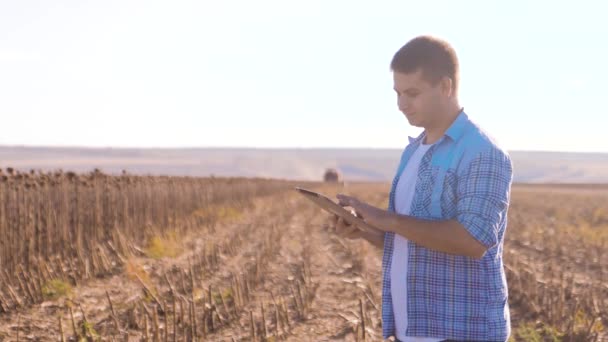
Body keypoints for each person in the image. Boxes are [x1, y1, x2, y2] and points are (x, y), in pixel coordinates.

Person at [331, 36, 513, 342]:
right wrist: (365, 230)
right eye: (398, 93)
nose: (401, 104)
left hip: (462, 332)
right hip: (413, 330)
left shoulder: (482, 152)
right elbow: (411, 240)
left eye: (412, 93)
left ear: (445, 86)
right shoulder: (413, 151)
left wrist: (386, 219)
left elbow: (473, 240)